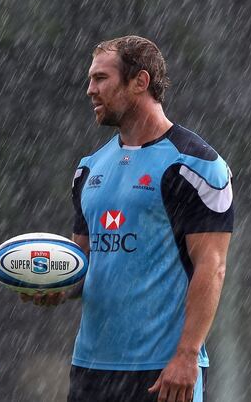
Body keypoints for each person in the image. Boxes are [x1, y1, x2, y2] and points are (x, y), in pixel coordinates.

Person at [24, 36, 234, 402]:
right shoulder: (88, 169)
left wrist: (187, 355)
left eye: (101, 79)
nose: (90, 90)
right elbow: (82, 264)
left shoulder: (195, 165)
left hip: (163, 370)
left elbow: (212, 267)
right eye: (91, 80)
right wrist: (54, 287)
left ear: (140, 81)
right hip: (92, 368)